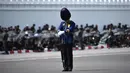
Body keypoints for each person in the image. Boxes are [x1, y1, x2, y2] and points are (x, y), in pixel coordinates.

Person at [58, 8, 75, 72]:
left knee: (69, 55)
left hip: (69, 41)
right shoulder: (62, 23)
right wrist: (59, 32)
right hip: (63, 41)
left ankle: (70, 67)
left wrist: (64, 31)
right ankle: (65, 67)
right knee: (63, 55)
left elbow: (69, 29)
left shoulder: (71, 23)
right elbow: (59, 29)